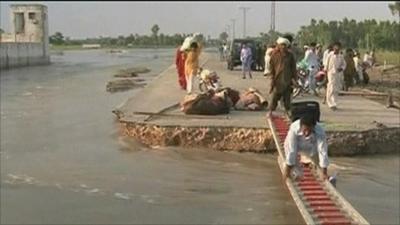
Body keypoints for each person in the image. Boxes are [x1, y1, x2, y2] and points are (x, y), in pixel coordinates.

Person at [283, 114, 329, 181]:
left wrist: (324, 172)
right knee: (298, 175)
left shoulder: (320, 131)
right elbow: (292, 151)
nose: (307, 133)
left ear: (314, 127)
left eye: (309, 130)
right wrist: (287, 171)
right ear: (301, 127)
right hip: (296, 144)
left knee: (318, 162)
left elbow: (322, 151)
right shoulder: (294, 129)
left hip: (310, 145)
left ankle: (308, 160)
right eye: (305, 130)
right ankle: (291, 167)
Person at [266, 37, 297, 117]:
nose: (283, 47)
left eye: (285, 45)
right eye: (281, 45)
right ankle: (270, 112)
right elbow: (271, 68)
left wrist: (295, 79)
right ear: (279, 46)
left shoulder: (290, 56)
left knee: (287, 99)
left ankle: (288, 113)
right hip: (277, 81)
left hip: (287, 80)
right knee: (274, 98)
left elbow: (293, 68)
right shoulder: (274, 55)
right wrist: (272, 79)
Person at [325, 41, 346, 111]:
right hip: (330, 73)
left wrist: (341, 68)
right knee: (331, 87)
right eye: (335, 48)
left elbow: (344, 64)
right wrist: (325, 71)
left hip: (337, 74)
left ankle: (334, 103)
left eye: (338, 48)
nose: (336, 49)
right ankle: (330, 103)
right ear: (333, 48)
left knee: (336, 89)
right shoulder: (330, 55)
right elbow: (326, 64)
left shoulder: (341, 56)